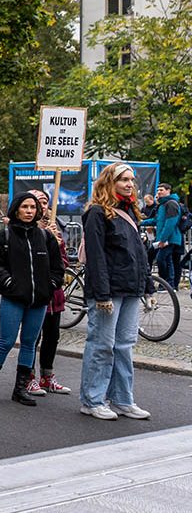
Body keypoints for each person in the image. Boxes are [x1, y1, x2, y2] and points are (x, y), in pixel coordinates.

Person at [79, 162, 153, 421]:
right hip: (109, 291)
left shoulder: (129, 211)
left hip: (130, 288)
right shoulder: (97, 213)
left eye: (131, 180)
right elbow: (97, 257)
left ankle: (122, 399)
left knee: (124, 346)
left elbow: (139, 254)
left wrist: (149, 286)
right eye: (123, 179)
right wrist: (102, 295)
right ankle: (92, 399)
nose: (129, 184)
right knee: (102, 345)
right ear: (110, 182)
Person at [0, 192, 64, 407]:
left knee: (29, 345)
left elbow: (58, 269)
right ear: (16, 209)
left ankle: (20, 388)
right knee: (6, 341)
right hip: (13, 299)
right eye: (25, 207)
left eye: (33, 207)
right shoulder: (3, 236)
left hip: (38, 301)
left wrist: (50, 286)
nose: (29, 211)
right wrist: (9, 284)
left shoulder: (46, 238)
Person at [29, 188, 72, 395]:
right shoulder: (24, 230)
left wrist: (56, 244)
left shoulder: (55, 231)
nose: (41, 206)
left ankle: (47, 376)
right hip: (34, 295)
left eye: (45, 202)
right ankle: (27, 377)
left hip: (54, 295)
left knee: (52, 337)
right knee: (32, 338)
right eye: (37, 201)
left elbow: (63, 262)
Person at [142, 182, 183, 291]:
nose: (159, 192)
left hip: (169, 239)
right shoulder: (162, 205)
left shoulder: (171, 204)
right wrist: (140, 222)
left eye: (161, 190)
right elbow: (156, 220)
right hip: (162, 238)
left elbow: (170, 223)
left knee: (162, 259)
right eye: (158, 190)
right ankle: (166, 284)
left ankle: (168, 284)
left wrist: (163, 239)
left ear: (168, 191)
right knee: (154, 256)